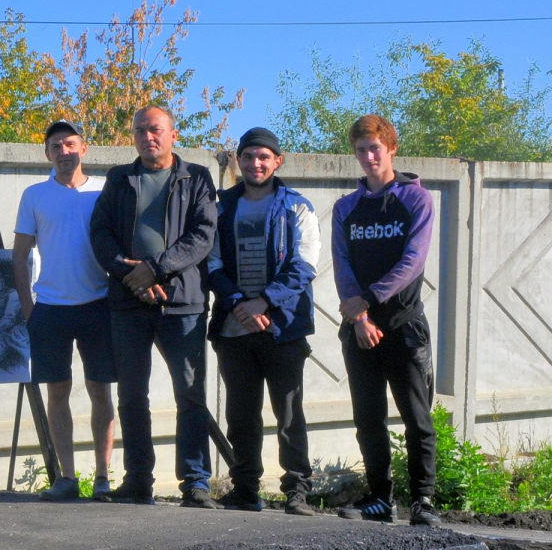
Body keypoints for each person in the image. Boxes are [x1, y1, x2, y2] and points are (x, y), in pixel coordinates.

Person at [90, 105, 219, 507]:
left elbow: (202, 237)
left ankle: (195, 483)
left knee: (191, 394)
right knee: (131, 396)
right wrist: (132, 278)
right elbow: (100, 233)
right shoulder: (119, 178)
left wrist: (155, 270)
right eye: (141, 130)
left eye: (157, 129)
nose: (149, 137)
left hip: (183, 305)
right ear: (133, 136)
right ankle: (138, 481)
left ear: (173, 133)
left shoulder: (196, 177)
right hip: (129, 305)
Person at [332, 114, 441, 526]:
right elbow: (341, 266)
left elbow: (412, 263)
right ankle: (380, 497)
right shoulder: (346, 208)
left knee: (417, 417)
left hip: (403, 326)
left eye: (375, 148)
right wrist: (357, 314)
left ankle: (423, 500)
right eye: (360, 150)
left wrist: (370, 299)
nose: (368, 156)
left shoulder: (416, 199)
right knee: (368, 418)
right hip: (359, 328)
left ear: (391, 148)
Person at [206, 127, 319, 516]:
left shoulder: (297, 207)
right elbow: (212, 262)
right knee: (240, 415)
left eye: (264, 157)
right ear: (239, 160)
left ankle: (297, 492)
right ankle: (246, 490)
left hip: (283, 329)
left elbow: (304, 266)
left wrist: (265, 303)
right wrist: (239, 302)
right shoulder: (220, 207)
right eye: (249, 156)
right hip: (234, 328)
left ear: (277, 161)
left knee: (288, 415)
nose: (256, 163)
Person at [13, 119, 117, 501]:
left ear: (83, 149)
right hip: (51, 309)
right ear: (47, 154)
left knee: (100, 391)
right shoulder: (34, 196)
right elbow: (20, 255)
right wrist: (30, 311)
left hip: (97, 304)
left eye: (70, 144)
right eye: (55, 146)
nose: (63, 151)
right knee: (57, 391)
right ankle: (67, 478)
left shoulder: (104, 192)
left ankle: (103, 478)